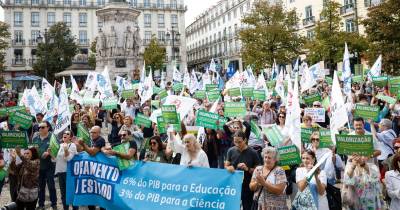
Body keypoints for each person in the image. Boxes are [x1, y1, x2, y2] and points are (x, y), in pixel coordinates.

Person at [225, 130, 260, 210]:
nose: (237, 144)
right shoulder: (231, 151)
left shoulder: (253, 153)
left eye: (239, 142)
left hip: (247, 185)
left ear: (245, 140)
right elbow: (226, 165)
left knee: (247, 207)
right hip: (234, 184)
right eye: (235, 142)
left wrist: (247, 169)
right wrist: (229, 168)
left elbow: (259, 171)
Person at [32, 122, 57, 210]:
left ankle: (54, 204)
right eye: (39, 127)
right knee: (40, 187)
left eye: (42, 127)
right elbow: (32, 152)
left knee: (51, 186)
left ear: (48, 128)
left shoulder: (53, 137)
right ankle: (41, 204)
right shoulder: (35, 138)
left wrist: (49, 153)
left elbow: (57, 149)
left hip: (49, 166)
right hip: (39, 167)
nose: (40, 129)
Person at [54, 130, 78, 210]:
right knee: (63, 194)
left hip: (69, 173)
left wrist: (66, 150)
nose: (65, 134)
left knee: (71, 193)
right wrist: (51, 153)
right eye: (64, 133)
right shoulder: (60, 145)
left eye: (68, 134)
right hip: (60, 172)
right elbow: (54, 160)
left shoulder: (73, 145)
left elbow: (68, 159)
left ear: (70, 137)